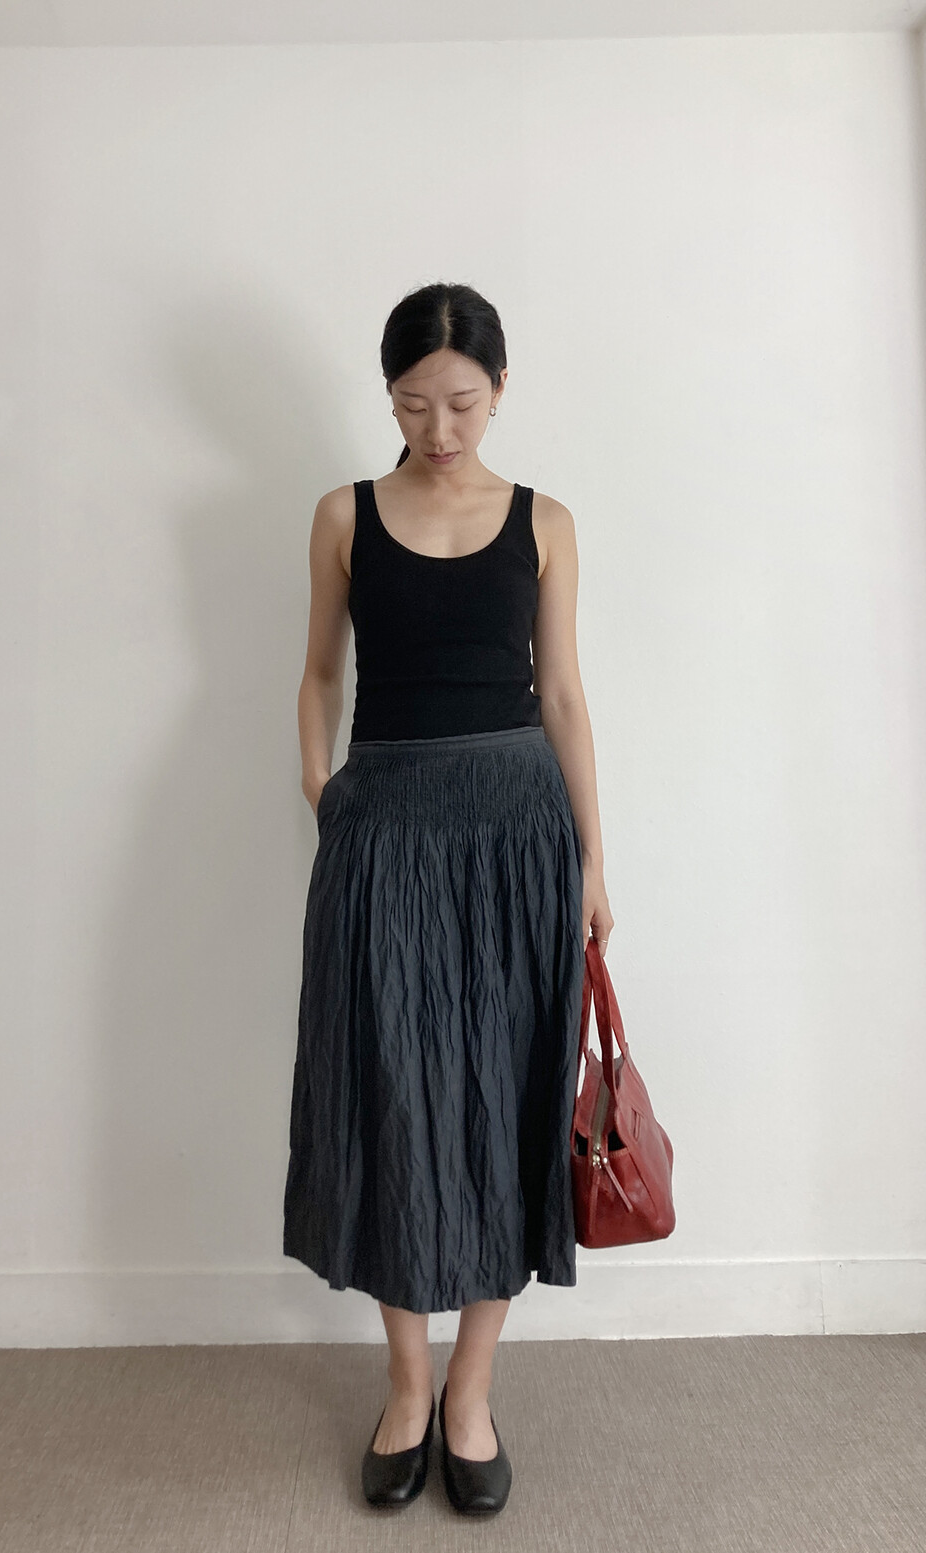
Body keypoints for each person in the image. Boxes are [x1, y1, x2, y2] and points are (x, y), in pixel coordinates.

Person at [282, 281, 613, 1514]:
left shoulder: (545, 521)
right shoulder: (342, 514)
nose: (440, 428)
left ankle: (471, 1389)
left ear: (500, 388)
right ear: (389, 396)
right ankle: (407, 1383)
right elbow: (320, 673)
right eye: (415, 404)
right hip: (384, 828)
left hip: (519, 831)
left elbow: (563, 694)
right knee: (392, 1094)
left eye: (463, 403)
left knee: (508, 1095)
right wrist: (322, 790)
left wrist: (592, 858)